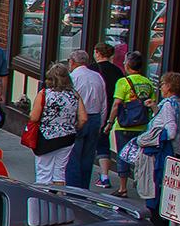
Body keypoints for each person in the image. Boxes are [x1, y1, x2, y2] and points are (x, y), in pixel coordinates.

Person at [135, 72, 180, 226]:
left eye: (163, 84)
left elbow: (170, 130)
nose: (161, 87)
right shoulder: (179, 105)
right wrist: (155, 109)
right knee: (166, 199)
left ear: (170, 86)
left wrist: (149, 138)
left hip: (162, 156)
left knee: (155, 199)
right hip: (174, 155)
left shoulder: (168, 105)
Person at [107, 52, 155, 197]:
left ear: (127, 65)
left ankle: (123, 188)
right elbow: (151, 104)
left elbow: (116, 104)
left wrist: (110, 122)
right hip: (141, 125)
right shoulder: (148, 83)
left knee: (123, 155)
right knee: (139, 156)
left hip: (124, 126)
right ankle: (140, 183)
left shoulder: (123, 82)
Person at [29, 63, 86, 185]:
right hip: (68, 136)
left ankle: (43, 199)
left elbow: (34, 117)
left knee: (44, 172)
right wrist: (74, 127)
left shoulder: (44, 94)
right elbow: (83, 118)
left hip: (46, 136)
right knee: (59, 172)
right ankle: (59, 198)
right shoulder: (75, 95)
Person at [65, 50, 106, 189]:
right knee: (88, 157)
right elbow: (104, 102)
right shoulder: (98, 77)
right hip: (95, 118)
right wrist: (101, 122)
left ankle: (73, 190)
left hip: (78, 118)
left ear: (72, 62)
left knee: (74, 157)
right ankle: (83, 189)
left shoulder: (73, 77)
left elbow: (70, 101)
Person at [91, 43, 124, 187]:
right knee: (104, 143)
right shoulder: (117, 71)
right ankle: (105, 176)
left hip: (93, 110)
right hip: (111, 110)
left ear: (97, 53)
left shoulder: (91, 69)